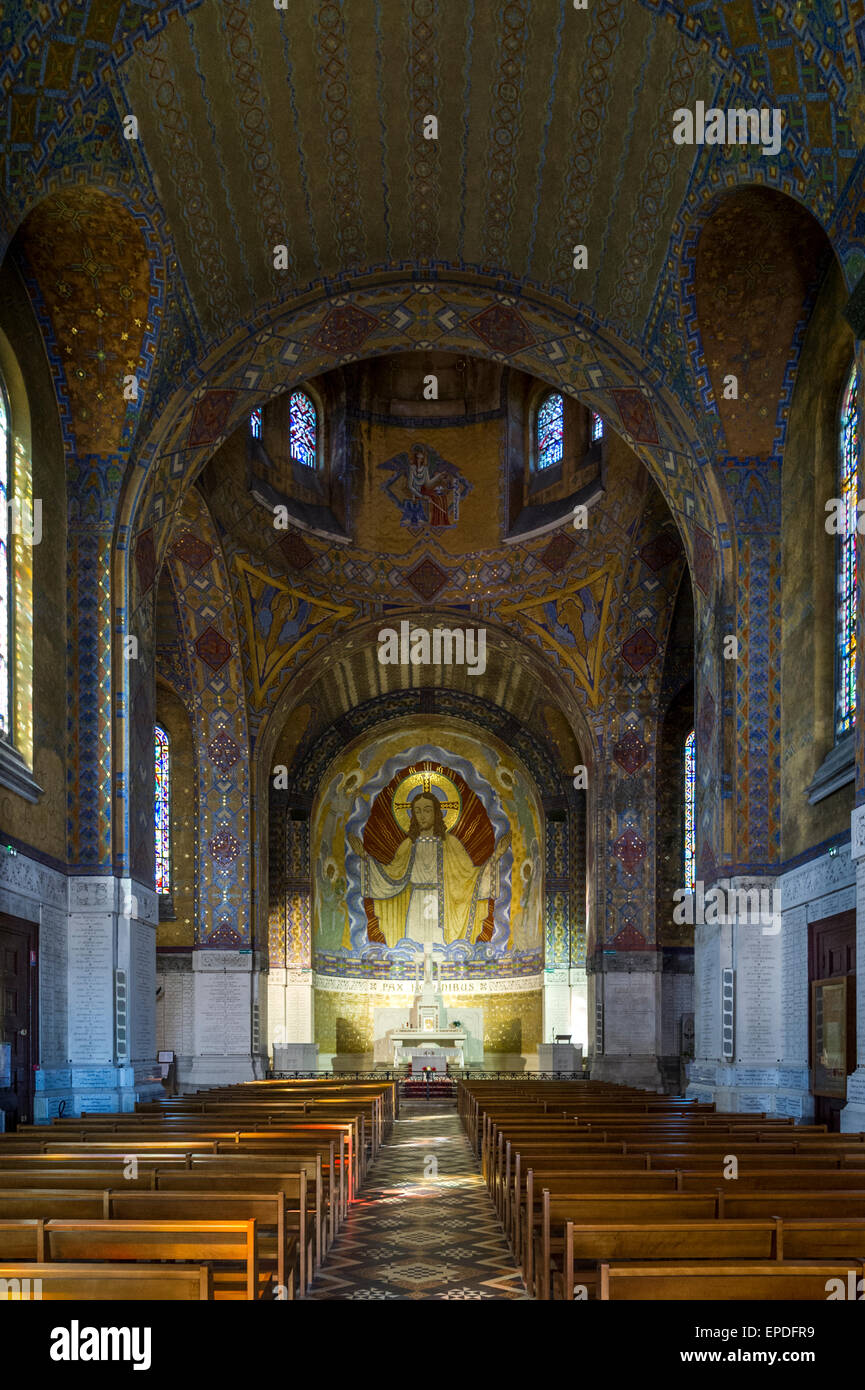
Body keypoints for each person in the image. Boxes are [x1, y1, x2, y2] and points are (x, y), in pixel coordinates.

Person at [349, 791, 510, 947]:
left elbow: (469, 878)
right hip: (416, 903)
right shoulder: (408, 845)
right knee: (413, 946)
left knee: (440, 945)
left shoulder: (450, 843)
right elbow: (392, 875)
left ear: (436, 813)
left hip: (441, 903)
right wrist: (363, 855)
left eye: (427, 810)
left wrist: (496, 856)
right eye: (417, 811)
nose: (422, 815)